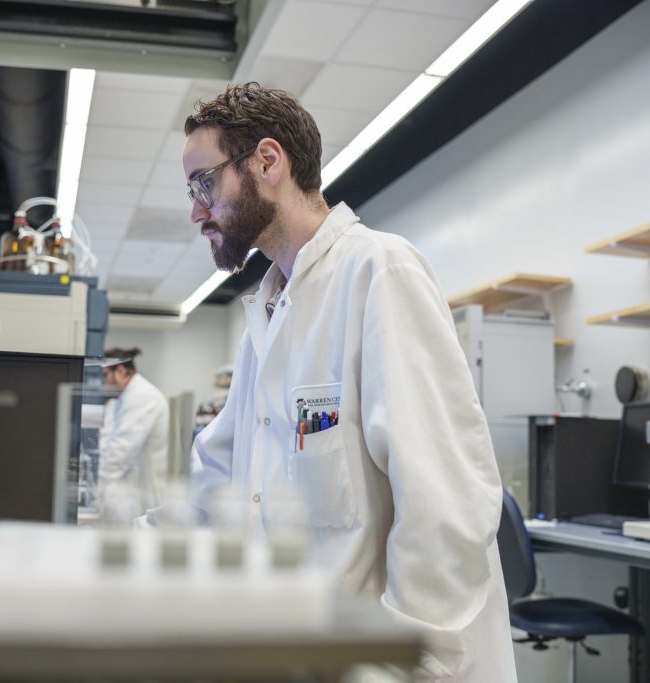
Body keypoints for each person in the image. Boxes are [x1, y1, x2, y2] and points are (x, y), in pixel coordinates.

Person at [181, 83, 517, 682]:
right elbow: (216, 478)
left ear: (267, 160)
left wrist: (402, 665)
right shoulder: (269, 310)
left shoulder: (379, 272)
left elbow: (446, 509)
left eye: (204, 182)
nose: (196, 210)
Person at [98, 348, 170, 514]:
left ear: (121, 371)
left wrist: (97, 492)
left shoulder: (142, 396)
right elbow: (108, 441)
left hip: (145, 496)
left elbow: (120, 450)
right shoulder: (124, 398)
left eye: (106, 375)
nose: (104, 382)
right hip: (131, 494)